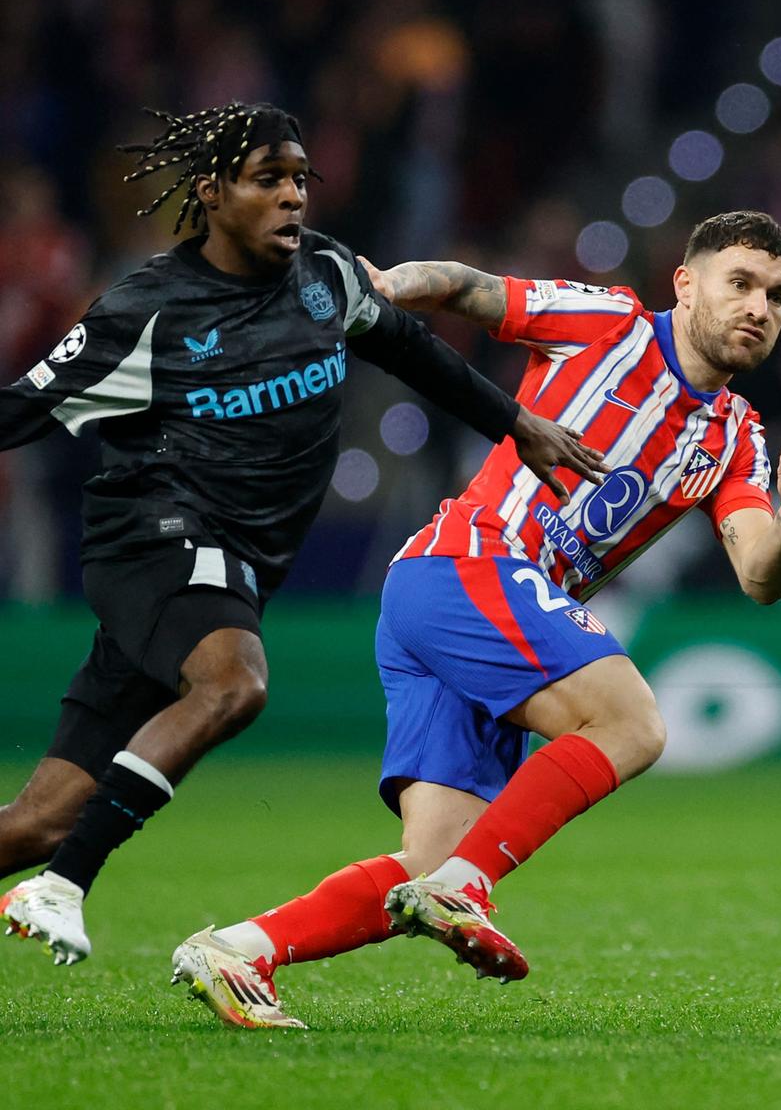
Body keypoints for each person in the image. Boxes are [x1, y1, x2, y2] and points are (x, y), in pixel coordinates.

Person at [171, 209, 781, 1030]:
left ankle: (239, 947)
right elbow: (469, 290)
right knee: (632, 722)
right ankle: (464, 890)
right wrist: (381, 289)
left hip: (470, 608)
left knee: (434, 855)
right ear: (686, 283)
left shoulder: (736, 439)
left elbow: (760, 575)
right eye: (741, 284)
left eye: (778, 296)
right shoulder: (611, 325)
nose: (759, 308)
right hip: (469, 565)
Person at [0, 101, 604, 967]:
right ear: (212, 193)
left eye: (298, 180)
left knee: (38, 820)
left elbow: (410, 349)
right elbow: (18, 409)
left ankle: (46, 860)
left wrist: (517, 421)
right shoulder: (143, 313)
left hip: (231, 566)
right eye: (268, 181)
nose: (292, 199)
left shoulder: (326, 276)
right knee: (235, 684)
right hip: (152, 539)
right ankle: (66, 886)